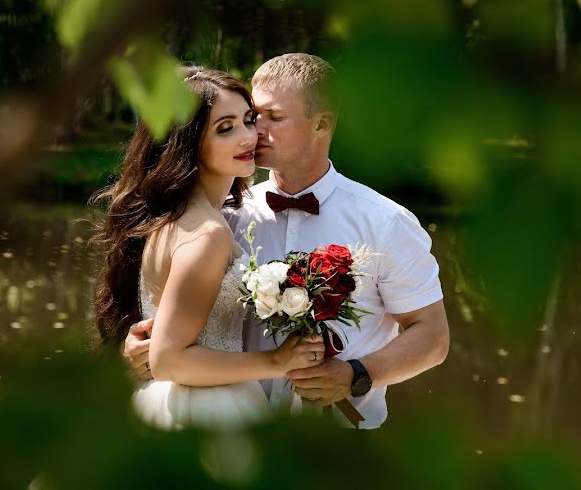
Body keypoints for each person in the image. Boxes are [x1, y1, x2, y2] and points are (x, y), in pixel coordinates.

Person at [122, 54, 450, 429]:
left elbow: (432, 335)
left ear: (321, 124)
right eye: (252, 115)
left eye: (272, 117)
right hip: (230, 425)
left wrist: (357, 373)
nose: (255, 131)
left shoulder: (385, 223)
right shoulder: (226, 217)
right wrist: (136, 348)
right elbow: (174, 324)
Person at [91, 66, 325, 429]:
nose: (249, 136)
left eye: (248, 120)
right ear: (188, 143)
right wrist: (277, 362)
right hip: (206, 408)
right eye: (225, 128)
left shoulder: (177, 216)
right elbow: (169, 359)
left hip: (176, 399)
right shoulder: (207, 233)